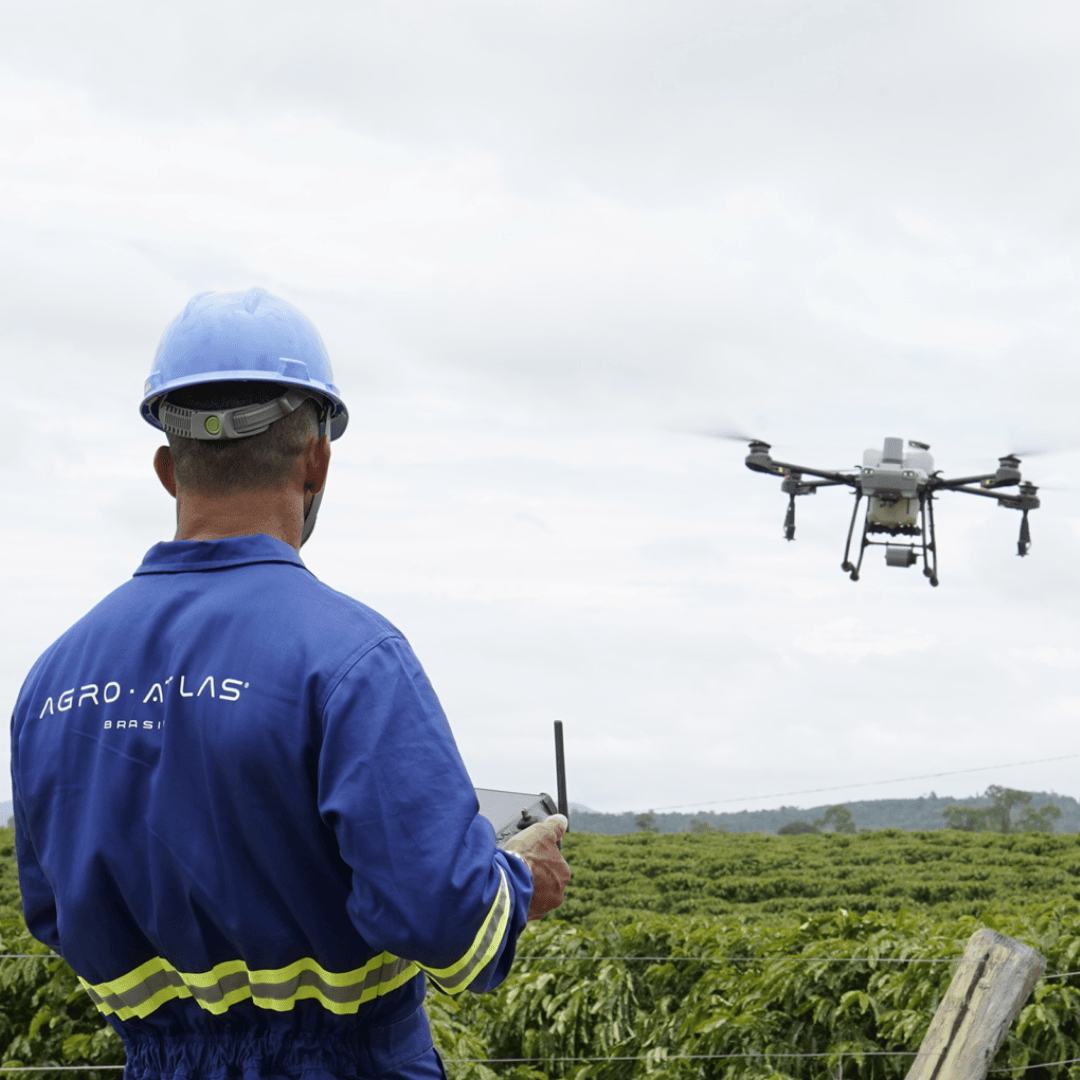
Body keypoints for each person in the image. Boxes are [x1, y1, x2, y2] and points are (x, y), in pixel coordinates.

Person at [10, 287, 571, 1080]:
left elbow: (50, 914)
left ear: (169, 468)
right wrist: (515, 877)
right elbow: (451, 929)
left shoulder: (51, 682)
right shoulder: (352, 658)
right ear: (317, 458)